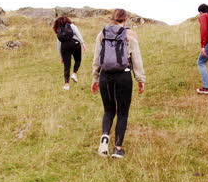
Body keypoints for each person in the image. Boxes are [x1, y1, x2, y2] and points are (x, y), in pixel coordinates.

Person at [91, 9, 145, 158]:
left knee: (108, 111)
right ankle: (118, 148)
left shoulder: (101, 34)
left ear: (112, 19)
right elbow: (137, 59)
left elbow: (97, 59)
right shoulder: (130, 36)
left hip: (105, 76)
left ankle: (105, 137)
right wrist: (140, 79)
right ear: (125, 20)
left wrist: (95, 78)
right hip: (124, 76)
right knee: (122, 113)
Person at [53, 16, 86, 90]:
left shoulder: (59, 31)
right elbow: (78, 34)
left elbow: (58, 46)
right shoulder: (72, 26)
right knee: (78, 60)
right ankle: (74, 73)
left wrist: (62, 57)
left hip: (64, 46)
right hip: (75, 43)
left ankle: (67, 85)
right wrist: (82, 43)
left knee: (66, 66)